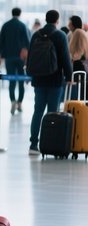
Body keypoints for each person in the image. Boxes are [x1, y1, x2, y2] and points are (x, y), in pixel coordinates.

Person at [28, 9, 72, 156]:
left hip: (39, 80)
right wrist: (69, 76)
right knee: (52, 113)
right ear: (57, 20)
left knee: (38, 111)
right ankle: (49, 144)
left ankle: (33, 145)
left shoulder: (36, 35)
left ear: (46, 19)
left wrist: (31, 74)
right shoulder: (60, 35)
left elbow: (30, 58)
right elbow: (66, 58)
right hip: (55, 80)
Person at [0, 7, 31, 114]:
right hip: (21, 58)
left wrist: (0, 55)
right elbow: (27, 42)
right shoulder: (22, 25)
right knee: (21, 81)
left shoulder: (5, 25)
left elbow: (1, 42)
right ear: (20, 14)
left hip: (9, 57)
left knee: (11, 80)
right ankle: (20, 103)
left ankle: (12, 102)